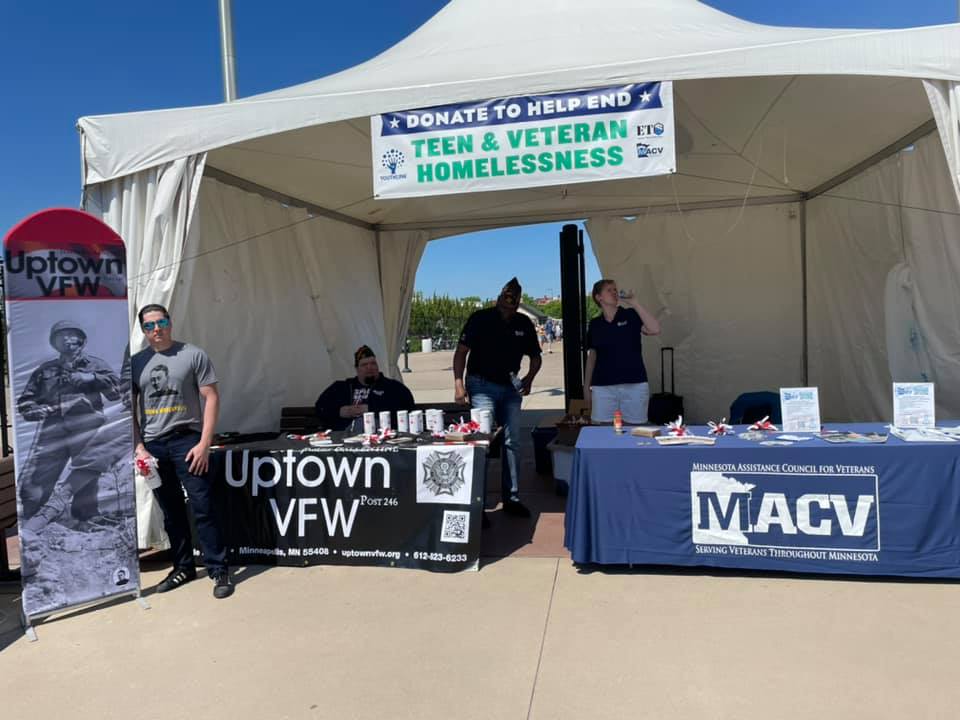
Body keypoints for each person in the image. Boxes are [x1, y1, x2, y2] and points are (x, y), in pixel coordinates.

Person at [131, 304, 233, 599]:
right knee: (171, 511)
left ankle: (218, 568)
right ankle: (183, 567)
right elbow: (129, 410)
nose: (156, 329)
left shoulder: (192, 355)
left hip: (186, 442)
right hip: (153, 447)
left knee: (203, 506)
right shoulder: (136, 363)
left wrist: (204, 443)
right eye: (149, 325)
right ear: (143, 330)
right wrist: (138, 447)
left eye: (160, 322)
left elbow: (211, 397)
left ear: (170, 322)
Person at [16, 320, 123, 532]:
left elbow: (118, 392)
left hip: (87, 426)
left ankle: (85, 519)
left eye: (71, 335)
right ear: (54, 343)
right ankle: (37, 522)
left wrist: (91, 378)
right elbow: (25, 402)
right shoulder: (44, 370)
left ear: (81, 340)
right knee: (35, 482)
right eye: (60, 336)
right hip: (52, 429)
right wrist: (34, 410)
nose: (66, 339)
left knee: (86, 474)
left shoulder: (96, 365)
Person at [454, 277, 542, 518]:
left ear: (517, 305)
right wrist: (459, 384)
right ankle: (478, 506)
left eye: (511, 306)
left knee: (513, 442)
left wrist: (530, 379)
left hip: (510, 388)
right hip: (481, 384)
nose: (507, 309)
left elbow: (536, 356)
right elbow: (461, 352)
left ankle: (512, 498)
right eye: (503, 304)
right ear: (497, 300)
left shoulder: (524, 323)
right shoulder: (480, 318)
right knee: (483, 441)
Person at [584, 279, 661, 424]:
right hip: (603, 386)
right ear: (598, 297)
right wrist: (586, 386)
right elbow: (592, 357)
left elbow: (655, 329)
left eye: (615, 289)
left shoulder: (630, 315)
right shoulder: (595, 324)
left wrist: (635, 303)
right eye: (609, 290)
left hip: (634, 384)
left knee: (635, 430)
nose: (614, 292)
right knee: (603, 430)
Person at [315, 345, 415, 431]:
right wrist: (341, 411)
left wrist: (370, 408)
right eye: (364, 365)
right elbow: (320, 407)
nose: (369, 367)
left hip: (379, 435)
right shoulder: (341, 387)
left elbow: (406, 406)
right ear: (357, 369)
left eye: (373, 363)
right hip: (346, 436)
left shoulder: (392, 387)